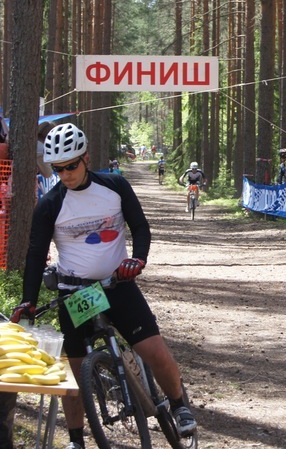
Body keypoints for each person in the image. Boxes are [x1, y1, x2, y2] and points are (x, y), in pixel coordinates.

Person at [10, 123, 197, 449]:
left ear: (86, 158)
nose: (65, 174)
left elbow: (140, 227)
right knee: (76, 374)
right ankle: (76, 440)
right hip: (76, 294)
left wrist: (138, 259)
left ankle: (179, 405)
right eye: (58, 168)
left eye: (71, 166)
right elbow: (36, 254)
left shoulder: (114, 185)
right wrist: (28, 299)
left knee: (155, 352)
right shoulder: (50, 204)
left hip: (117, 285)